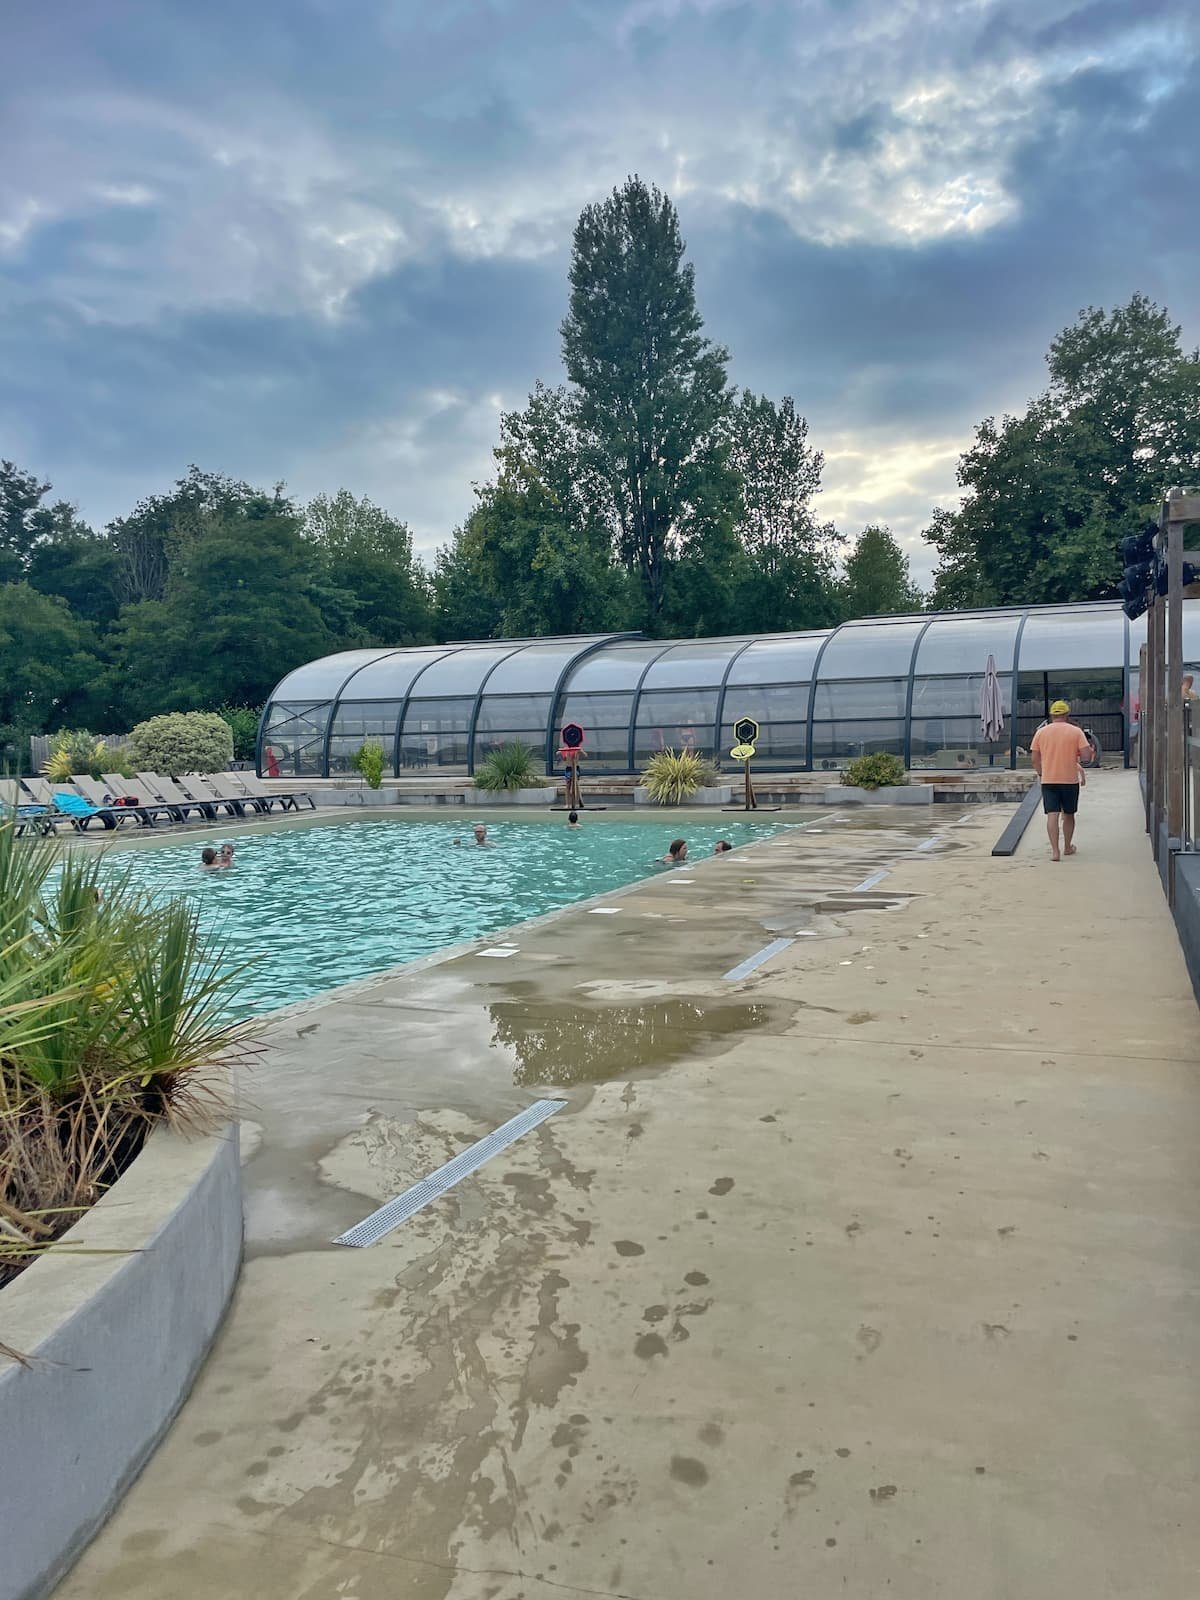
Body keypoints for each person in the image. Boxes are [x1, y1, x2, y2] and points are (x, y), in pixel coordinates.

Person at [1030, 700, 1093, 862]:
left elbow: (1035, 758)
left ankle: (1055, 852)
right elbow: (1086, 757)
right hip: (1069, 780)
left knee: (1052, 814)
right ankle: (1067, 847)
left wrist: (1041, 773)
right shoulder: (1076, 731)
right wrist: (1079, 754)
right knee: (1069, 814)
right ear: (1066, 715)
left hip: (1049, 780)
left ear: (1051, 715)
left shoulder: (1041, 733)